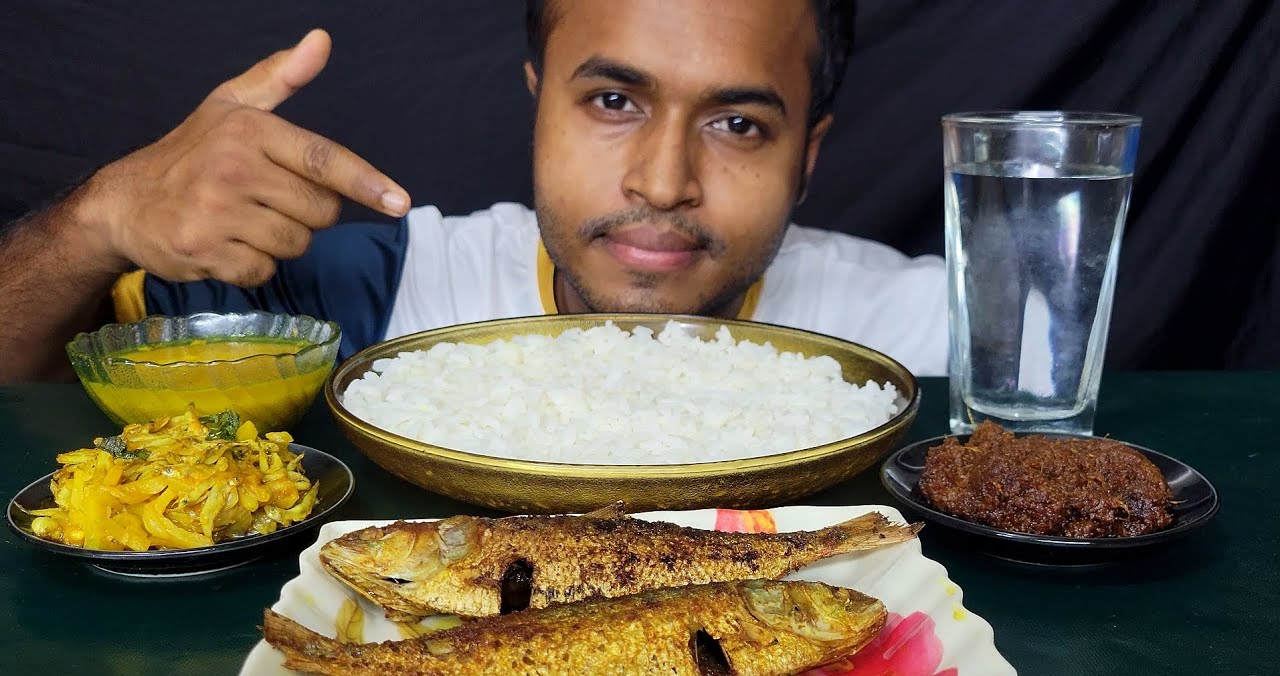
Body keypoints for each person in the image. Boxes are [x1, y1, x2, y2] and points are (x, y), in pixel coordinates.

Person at [0, 0, 946, 382]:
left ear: (809, 152)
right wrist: (95, 222)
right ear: (538, 104)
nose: (664, 182)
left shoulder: (925, 335)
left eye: (737, 124)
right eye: (613, 100)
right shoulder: (374, 288)